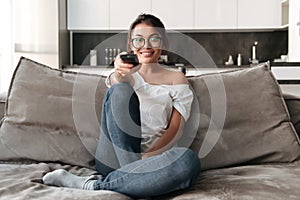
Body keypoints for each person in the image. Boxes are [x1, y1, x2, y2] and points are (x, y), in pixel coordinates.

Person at [42, 13, 201, 198]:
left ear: (164, 43)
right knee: (120, 92)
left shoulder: (177, 79)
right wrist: (119, 72)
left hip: (154, 158)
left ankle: (98, 185)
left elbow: (175, 128)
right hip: (113, 157)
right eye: (139, 40)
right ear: (130, 44)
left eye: (154, 39)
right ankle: (140, 182)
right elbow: (117, 88)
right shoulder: (123, 74)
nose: (146, 46)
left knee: (188, 161)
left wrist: (147, 159)